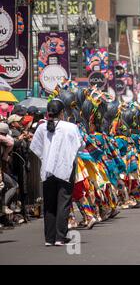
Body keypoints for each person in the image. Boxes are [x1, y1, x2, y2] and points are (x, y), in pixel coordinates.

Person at [30, 99, 85, 246]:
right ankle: (60, 237)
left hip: (47, 170)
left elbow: (35, 147)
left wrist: (47, 157)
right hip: (65, 169)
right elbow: (81, 145)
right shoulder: (71, 127)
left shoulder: (41, 128)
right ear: (62, 112)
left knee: (49, 204)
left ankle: (49, 238)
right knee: (63, 203)